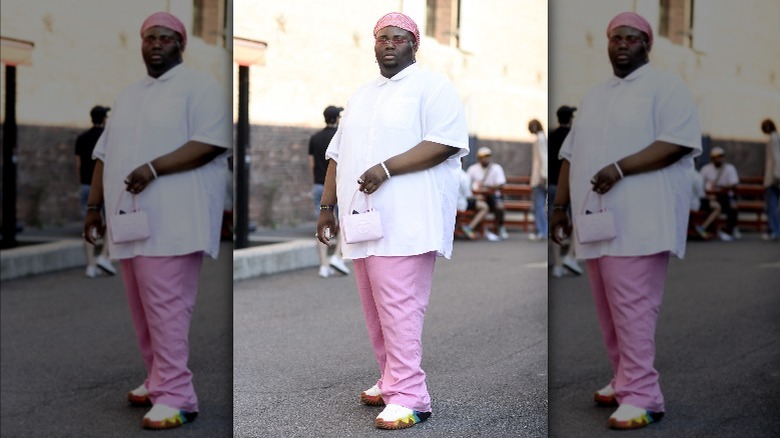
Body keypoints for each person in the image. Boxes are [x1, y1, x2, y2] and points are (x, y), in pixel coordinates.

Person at [316, 12, 468, 430]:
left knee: (400, 308)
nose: (388, 44)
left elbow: (445, 142)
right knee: (375, 309)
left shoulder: (432, 87)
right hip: (362, 222)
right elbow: (337, 155)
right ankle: (391, 380)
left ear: (413, 45)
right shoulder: (362, 95)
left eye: (398, 38)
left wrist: (387, 167)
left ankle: (411, 396)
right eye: (382, 38)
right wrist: (328, 208)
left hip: (407, 221)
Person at [550, 12, 701, 430]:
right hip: (596, 223)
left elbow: (677, 143)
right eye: (615, 37)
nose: (621, 44)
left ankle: (645, 396)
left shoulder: (666, 88)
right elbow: (569, 156)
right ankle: (624, 379)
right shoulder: (596, 95)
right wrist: (560, 207)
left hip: (641, 222)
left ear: (646, 44)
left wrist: (619, 168)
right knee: (608, 311)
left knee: (634, 309)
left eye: (631, 38)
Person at [82, 12, 230, 430]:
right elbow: (104, 155)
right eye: (150, 38)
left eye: (166, 38)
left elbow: (211, 143)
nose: (156, 44)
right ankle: (157, 379)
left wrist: (153, 168)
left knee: (167, 309)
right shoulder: (129, 95)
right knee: (142, 310)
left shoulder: (201, 87)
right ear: (141, 44)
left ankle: (179, 396)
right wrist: (94, 208)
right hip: (130, 222)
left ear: (181, 44)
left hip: (175, 223)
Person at [75, 105, 116, 278]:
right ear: (105, 119)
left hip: (85, 185)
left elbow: (78, 164)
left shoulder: (81, 138)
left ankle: (90, 265)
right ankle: (105, 256)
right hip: (105, 184)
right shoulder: (108, 138)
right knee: (111, 222)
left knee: (89, 224)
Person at [310, 105, 350, 277]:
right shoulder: (339, 137)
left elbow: (311, 164)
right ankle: (336, 257)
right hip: (337, 186)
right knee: (343, 223)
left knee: (321, 226)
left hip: (318, 185)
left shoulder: (314, 138)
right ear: (337, 119)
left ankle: (323, 266)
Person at [548, 106, 582, 277]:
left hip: (552, 185)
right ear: (570, 119)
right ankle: (570, 255)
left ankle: (557, 264)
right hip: (569, 184)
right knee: (577, 220)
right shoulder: (573, 136)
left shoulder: (551, 136)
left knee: (555, 224)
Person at [467, 147, 508, 240]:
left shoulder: (496, 168)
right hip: (478, 196)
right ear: (479, 158)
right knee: (477, 205)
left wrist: (487, 187)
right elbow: (468, 184)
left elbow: (501, 184)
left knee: (500, 207)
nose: (486, 159)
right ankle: (476, 228)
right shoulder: (472, 169)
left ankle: (500, 227)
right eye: (483, 157)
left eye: (488, 156)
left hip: (493, 196)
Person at [699, 147, 740, 240]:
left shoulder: (730, 168)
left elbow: (734, 183)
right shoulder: (706, 169)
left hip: (725, 196)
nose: (719, 158)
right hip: (710, 196)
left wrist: (721, 187)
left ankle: (730, 231)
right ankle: (709, 231)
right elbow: (700, 183)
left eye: (721, 156)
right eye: (717, 156)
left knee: (733, 208)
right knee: (707, 207)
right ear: (712, 158)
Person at [457, 161, 490, 240]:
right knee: (484, 207)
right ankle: (469, 227)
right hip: (460, 203)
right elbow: (468, 195)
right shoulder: (464, 176)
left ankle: (460, 226)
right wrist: (476, 197)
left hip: (446, 204)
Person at [528, 119, 548, 241]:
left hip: (540, 178)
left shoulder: (540, 139)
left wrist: (542, 175)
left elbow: (543, 158)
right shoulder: (542, 138)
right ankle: (542, 230)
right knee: (540, 206)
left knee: (539, 206)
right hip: (540, 176)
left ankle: (542, 231)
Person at [761, 118, 780, 240]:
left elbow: (776, 158)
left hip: (773, 178)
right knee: (773, 207)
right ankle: (773, 230)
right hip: (775, 176)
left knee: (771, 206)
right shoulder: (776, 138)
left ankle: (774, 231)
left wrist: (776, 176)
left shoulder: (773, 139)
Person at [689, 166, 721, 239]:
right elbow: (701, 195)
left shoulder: (680, 174)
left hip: (683, 204)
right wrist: (710, 197)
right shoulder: (697, 176)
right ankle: (702, 227)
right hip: (694, 204)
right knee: (717, 207)